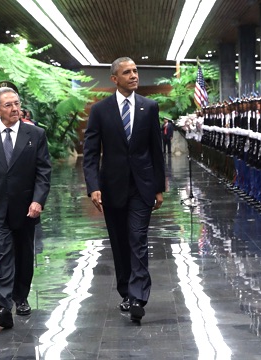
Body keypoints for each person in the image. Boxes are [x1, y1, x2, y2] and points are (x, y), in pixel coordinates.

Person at [83, 57, 165, 323]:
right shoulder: (100, 110)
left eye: (135, 71)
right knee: (119, 242)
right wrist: (93, 187)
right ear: (114, 79)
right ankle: (127, 292)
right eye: (127, 72)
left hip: (142, 187)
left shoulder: (149, 107)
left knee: (137, 239)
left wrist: (159, 187)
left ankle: (139, 296)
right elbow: (91, 153)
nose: (133, 75)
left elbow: (156, 150)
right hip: (112, 187)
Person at [0, 84, 52, 329]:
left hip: (26, 206)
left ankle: (21, 298)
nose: (15, 108)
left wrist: (38, 200)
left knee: (24, 255)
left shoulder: (35, 134)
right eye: (8, 105)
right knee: (4, 253)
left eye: (17, 103)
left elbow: (43, 172)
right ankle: (2, 304)